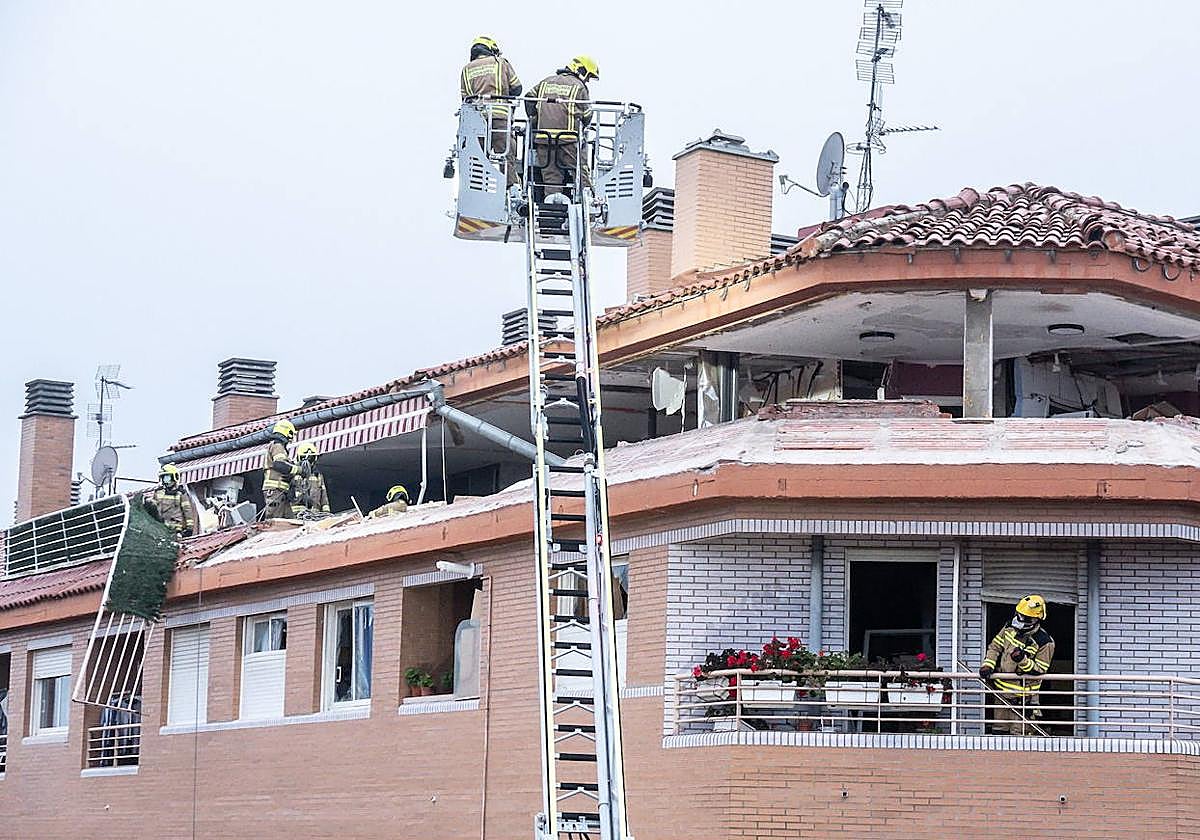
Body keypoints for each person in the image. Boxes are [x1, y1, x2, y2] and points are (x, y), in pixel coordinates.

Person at [979, 594, 1055, 735]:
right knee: (998, 733)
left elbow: (1040, 669)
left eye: (1024, 617)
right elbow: (995, 646)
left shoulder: (1045, 642)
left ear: (1035, 619)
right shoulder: (1009, 627)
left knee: (1020, 736)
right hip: (1001, 694)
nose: (1019, 620)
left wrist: (1022, 660)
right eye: (1019, 615)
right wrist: (988, 665)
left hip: (1024, 700)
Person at [525, 56, 599, 198]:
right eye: (588, 76)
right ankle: (588, 203)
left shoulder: (546, 82)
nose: (588, 80)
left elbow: (529, 99)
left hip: (543, 138)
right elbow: (587, 115)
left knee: (551, 177)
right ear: (581, 70)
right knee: (580, 170)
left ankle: (552, 204)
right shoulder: (579, 86)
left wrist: (535, 120)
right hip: (568, 140)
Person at [459, 35, 522, 187]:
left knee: (477, 159)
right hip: (499, 117)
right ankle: (511, 188)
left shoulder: (466, 69)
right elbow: (517, 88)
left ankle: (477, 188)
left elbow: (466, 98)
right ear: (491, 49)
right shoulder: (500, 63)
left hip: (476, 121)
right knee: (505, 155)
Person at [143, 463, 196, 537]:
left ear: (174, 477)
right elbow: (154, 507)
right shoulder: (158, 492)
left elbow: (187, 512)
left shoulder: (181, 493)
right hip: (160, 529)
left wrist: (189, 529)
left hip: (175, 530)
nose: (165, 480)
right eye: (163, 477)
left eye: (167, 477)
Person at [262, 419, 300, 520]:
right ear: (286, 431)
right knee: (275, 522)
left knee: (290, 522)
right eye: (291, 434)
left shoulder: (279, 447)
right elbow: (279, 465)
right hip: (275, 492)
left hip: (281, 492)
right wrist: (298, 470)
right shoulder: (277, 445)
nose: (291, 438)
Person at [291, 442, 330, 516]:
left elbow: (324, 498)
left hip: (315, 516)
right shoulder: (292, 474)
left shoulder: (317, 475)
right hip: (296, 517)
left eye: (311, 458)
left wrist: (326, 514)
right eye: (304, 458)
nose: (308, 461)